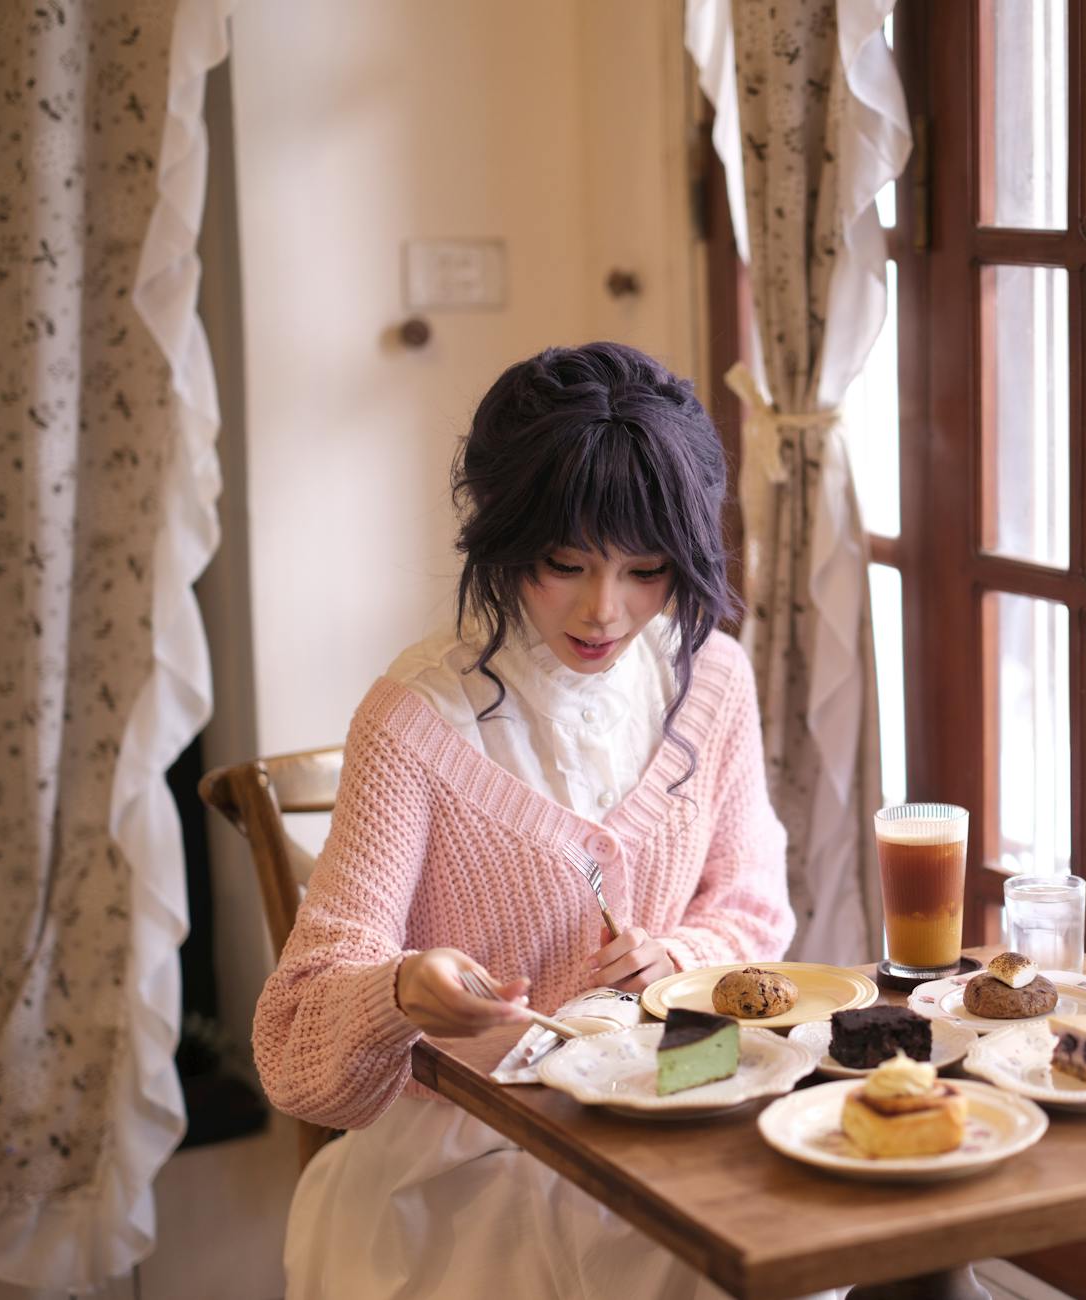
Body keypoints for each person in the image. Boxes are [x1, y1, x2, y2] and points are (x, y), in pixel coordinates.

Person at [253, 342, 800, 1298]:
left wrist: (683, 957)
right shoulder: (417, 722)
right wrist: (398, 994)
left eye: (645, 569)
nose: (606, 610)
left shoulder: (709, 677)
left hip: (682, 1104)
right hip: (478, 1155)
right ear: (503, 539)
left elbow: (753, 907)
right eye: (566, 564)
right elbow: (296, 1043)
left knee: (809, 1234)